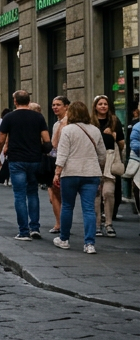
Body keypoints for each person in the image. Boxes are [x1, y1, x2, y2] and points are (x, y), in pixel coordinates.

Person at [0, 91, 53, 240]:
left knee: (19, 195)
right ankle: (35, 228)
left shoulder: (9, 117)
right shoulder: (38, 117)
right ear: (29, 101)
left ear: (15, 101)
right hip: (34, 159)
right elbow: (47, 141)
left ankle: (23, 231)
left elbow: (0, 140)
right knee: (33, 193)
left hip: (17, 160)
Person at [53, 100, 106, 254]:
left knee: (68, 206)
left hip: (70, 173)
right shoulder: (95, 130)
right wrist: (99, 169)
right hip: (91, 173)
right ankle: (89, 244)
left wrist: (57, 172)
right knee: (89, 208)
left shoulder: (68, 130)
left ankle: (64, 239)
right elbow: (102, 154)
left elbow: (62, 154)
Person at [91, 95, 122, 238]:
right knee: (96, 193)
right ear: (95, 106)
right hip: (94, 160)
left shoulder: (115, 121)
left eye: (105, 104)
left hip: (110, 160)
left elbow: (122, 144)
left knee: (108, 192)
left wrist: (114, 135)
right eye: (100, 104)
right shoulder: (91, 122)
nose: (103, 106)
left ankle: (109, 224)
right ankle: (97, 224)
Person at [47, 96, 68, 233]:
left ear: (66, 106)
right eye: (53, 105)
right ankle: (59, 222)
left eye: (58, 105)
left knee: (58, 194)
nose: (55, 107)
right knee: (54, 194)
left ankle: (61, 224)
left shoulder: (66, 124)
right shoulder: (56, 124)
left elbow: (54, 144)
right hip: (56, 160)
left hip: (64, 162)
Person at [0, 106, 13, 186]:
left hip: (5, 144)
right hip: (6, 144)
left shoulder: (2, 121)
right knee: (7, 163)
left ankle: (7, 179)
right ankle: (8, 179)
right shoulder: (4, 122)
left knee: (6, 163)